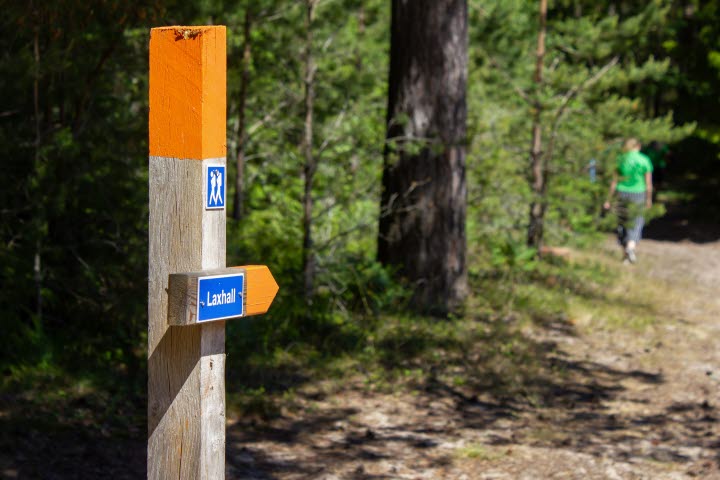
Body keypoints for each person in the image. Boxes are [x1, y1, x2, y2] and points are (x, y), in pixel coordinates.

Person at [603, 138, 653, 264]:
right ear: (638, 146)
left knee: (622, 221)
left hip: (621, 193)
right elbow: (648, 184)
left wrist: (608, 199)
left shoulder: (620, 159)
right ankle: (630, 248)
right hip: (638, 193)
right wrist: (648, 199)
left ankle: (625, 255)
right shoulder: (644, 160)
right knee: (636, 221)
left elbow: (613, 182)